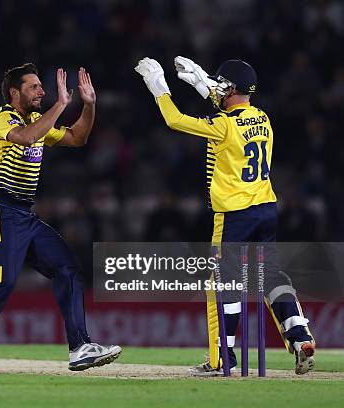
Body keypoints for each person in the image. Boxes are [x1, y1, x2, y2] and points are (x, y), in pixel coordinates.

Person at [134, 56, 315, 375]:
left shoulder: (223, 125)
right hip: (267, 209)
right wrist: (202, 81)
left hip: (234, 215)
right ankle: (300, 338)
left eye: (220, 83)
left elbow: (176, 120)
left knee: (221, 284)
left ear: (229, 87)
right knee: (271, 277)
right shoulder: (263, 117)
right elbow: (229, 102)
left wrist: (158, 86)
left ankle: (222, 359)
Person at [0, 63, 121, 372]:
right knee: (3, 282)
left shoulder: (38, 120)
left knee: (67, 267)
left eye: (41, 86)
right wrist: (62, 105)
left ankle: (80, 347)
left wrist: (88, 106)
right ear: (15, 92)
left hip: (24, 213)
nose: (42, 91)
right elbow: (24, 138)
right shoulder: (1, 120)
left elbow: (78, 137)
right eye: (34, 87)